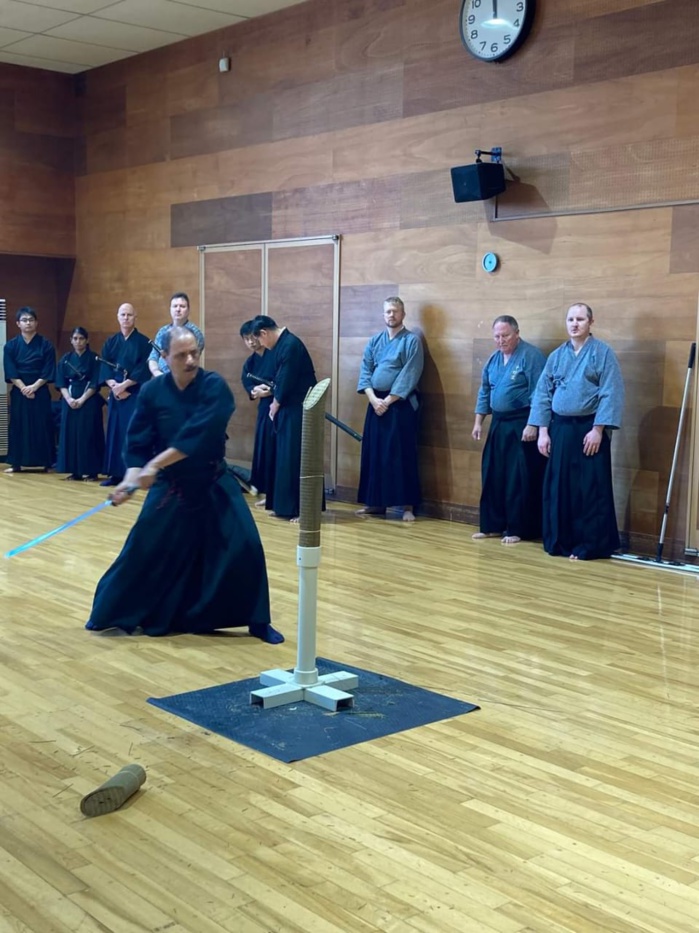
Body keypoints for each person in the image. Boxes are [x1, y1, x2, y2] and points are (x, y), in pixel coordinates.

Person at [85, 326, 283, 643]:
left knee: (245, 544)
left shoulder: (214, 387)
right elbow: (137, 442)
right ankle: (111, 612)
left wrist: (153, 465)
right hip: (172, 485)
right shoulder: (152, 392)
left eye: (194, 353)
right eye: (181, 355)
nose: (190, 360)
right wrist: (131, 478)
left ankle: (258, 621)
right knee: (143, 544)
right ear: (164, 357)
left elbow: (197, 435)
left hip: (212, 479)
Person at [529, 302, 624, 561]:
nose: (574, 324)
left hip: (589, 429)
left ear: (591, 322)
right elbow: (542, 393)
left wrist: (598, 429)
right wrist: (543, 431)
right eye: (570, 319)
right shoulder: (557, 356)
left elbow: (611, 392)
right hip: (560, 428)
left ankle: (590, 545)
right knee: (559, 487)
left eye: (580, 319)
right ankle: (561, 542)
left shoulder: (602, 353)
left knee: (589, 489)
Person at [472, 316, 546, 544]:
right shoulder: (493, 359)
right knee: (493, 474)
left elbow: (540, 392)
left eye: (505, 335)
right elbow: (485, 390)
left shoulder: (531, 356)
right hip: (499, 423)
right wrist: (478, 421)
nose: (500, 340)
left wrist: (533, 424)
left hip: (522, 423)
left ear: (517, 334)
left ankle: (518, 528)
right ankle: (492, 525)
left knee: (518, 478)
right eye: (497, 336)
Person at [356, 297, 423, 522]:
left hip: (400, 404)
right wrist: (373, 399)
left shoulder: (411, 341)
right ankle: (375, 503)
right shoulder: (375, 341)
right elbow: (365, 370)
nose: (391, 315)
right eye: (387, 312)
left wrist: (388, 400)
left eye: (395, 311)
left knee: (401, 454)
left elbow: (410, 373)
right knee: (374, 453)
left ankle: (407, 506)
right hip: (375, 402)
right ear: (383, 315)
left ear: (403, 314)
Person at [251, 315, 317, 521]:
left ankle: (300, 509)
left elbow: (287, 379)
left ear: (264, 333)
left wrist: (275, 403)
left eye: (260, 340)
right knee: (282, 458)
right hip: (288, 408)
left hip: (298, 408)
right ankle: (283, 506)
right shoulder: (282, 345)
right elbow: (279, 379)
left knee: (294, 457)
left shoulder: (290, 345)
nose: (262, 345)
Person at [100, 303, 152, 486]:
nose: (126, 318)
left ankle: (132, 474)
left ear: (135, 317)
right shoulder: (111, 342)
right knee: (115, 432)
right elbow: (104, 364)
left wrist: (125, 386)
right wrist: (113, 385)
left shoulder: (144, 342)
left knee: (131, 432)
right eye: (123, 314)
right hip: (116, 393)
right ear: (117, 317)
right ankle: (115, 474)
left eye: (129, 315)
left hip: (133, 393)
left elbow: (143, 368)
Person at [3, 306, 56, 473]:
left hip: (40, 390)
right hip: (20, 391)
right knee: (18, 425)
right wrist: (24, 388)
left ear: (36, 323)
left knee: (42, 425)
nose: (28, 323)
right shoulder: (11, 346)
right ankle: (16, 463)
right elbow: (10, 370)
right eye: (24, 320)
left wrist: (34, 387)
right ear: (18, 323)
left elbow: (48, 370)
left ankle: (46, 462)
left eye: (31, 320)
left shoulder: (46, 345)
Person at [56, 327, 105, 481]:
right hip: (69, 399)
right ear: (71, 340)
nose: (78, 342)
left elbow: (95, 382)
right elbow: (61, 382)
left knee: (88, 434)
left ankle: (92, 471)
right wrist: (69, 399)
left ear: (87, 340)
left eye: (81, 338)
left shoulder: (94, 358)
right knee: (71, 434)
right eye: (75, 338)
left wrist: (82, 399)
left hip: (89, 400)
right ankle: (75, 471)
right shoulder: (65, 359)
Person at [240, 320, 275, 506]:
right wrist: (255, 390)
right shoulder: (250, 363)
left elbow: (282, 379)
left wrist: (269, 390)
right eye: (246, 339)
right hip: (264, 408)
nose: (251, 342)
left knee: (276, 449)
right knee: (264, 448)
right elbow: (247, 383)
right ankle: (267, 492)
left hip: (279, 405)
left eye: (253, 337)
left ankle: (276, 493)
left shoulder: (274, 354)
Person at [148, 292, 204, 377]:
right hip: (161, 377)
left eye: (182, 306)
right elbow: (153, 357)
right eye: (175, 306)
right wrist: (157, 373)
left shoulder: (195, 333)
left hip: (184, 378)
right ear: (170, 309)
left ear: (188, 310)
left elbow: (191, 360)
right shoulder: (163, 331)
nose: (178, 309)